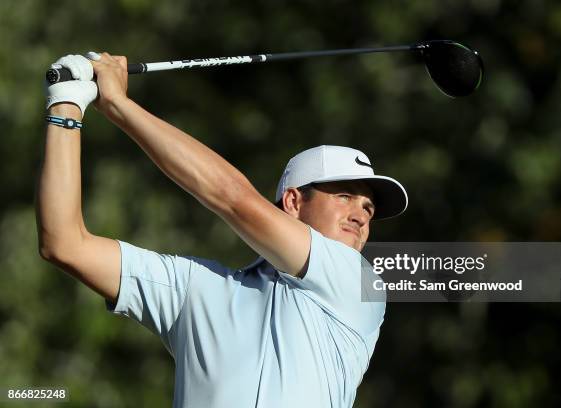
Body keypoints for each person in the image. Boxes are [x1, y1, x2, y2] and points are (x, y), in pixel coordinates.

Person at [36, 52, 408, 408]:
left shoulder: (359, 283)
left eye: (368, 208)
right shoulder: (195, 289)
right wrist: (66, 107)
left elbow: (232, 197)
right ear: (293, 202)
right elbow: (65, 243)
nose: (361, 216)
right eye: (344, 196)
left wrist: (118, 104)